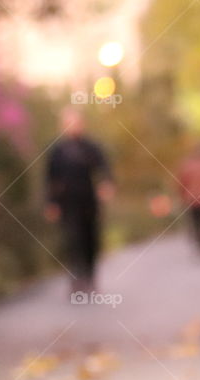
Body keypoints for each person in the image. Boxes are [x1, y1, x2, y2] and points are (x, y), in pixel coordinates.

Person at [45, 107, 113, 294]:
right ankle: (77, 279)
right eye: (68, 124)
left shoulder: (91, 147)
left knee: (90, 239)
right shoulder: (57, 151)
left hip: (89, 201)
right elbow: (50, 178)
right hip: (67, 203)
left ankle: (90, 276)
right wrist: (51, 203)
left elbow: (104, 167)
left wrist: (106, 184)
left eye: (75, 123)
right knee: (73, 241)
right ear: (63, 126)